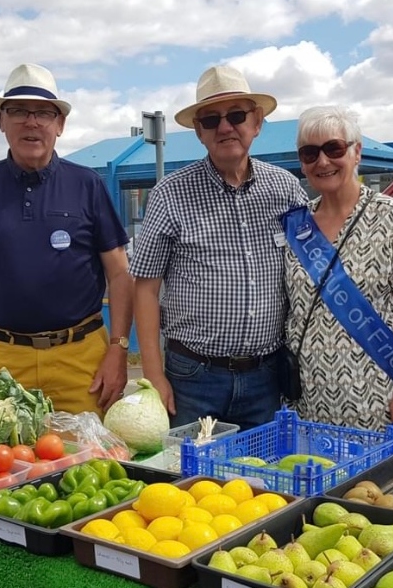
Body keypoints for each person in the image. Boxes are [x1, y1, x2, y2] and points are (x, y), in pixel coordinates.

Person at [0, 63, 132, 417]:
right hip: (3, 357)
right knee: (2, 465)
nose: (31, 121)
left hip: (81, 359)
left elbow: (119, 273)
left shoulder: (87, 185)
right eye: (18, 111)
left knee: (85, 461)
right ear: (1, 121)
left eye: (43, 113)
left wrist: (118, 349)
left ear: (60, 125)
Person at [130, 65, 308, 430]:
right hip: (193, 376)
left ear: (256, 123)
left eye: (237, 115)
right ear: (199, 132)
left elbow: (310, 272)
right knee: (188, 480)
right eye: (211, 120)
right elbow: (145, 289)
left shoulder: (286, 190)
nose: (225, 127)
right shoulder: (170, 193)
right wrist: (153, 377)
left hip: (266, 376)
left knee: (262, 482)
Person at [282, 105, 393, 444]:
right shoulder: (295, 225)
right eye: (310, 153)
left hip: (376, 405)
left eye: (334, 149)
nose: (322, 162)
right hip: (303, 406)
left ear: (357, 152)